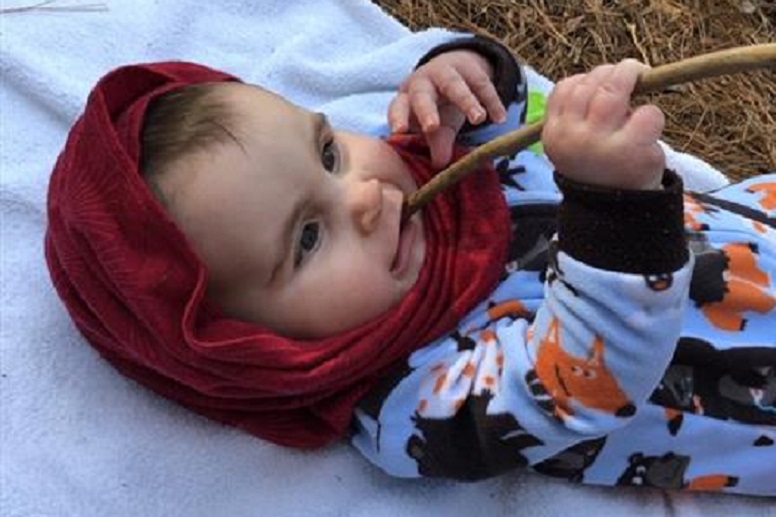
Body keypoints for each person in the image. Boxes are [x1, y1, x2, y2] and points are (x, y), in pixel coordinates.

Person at [45, 35, 775, 496]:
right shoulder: (414, 408)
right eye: (306, 239)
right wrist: (614, 205)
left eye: (326, 151)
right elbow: (585, 382)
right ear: (252, 348)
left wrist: (462, 74)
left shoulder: (418, 162)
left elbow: (514, 110)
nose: (365, 196)